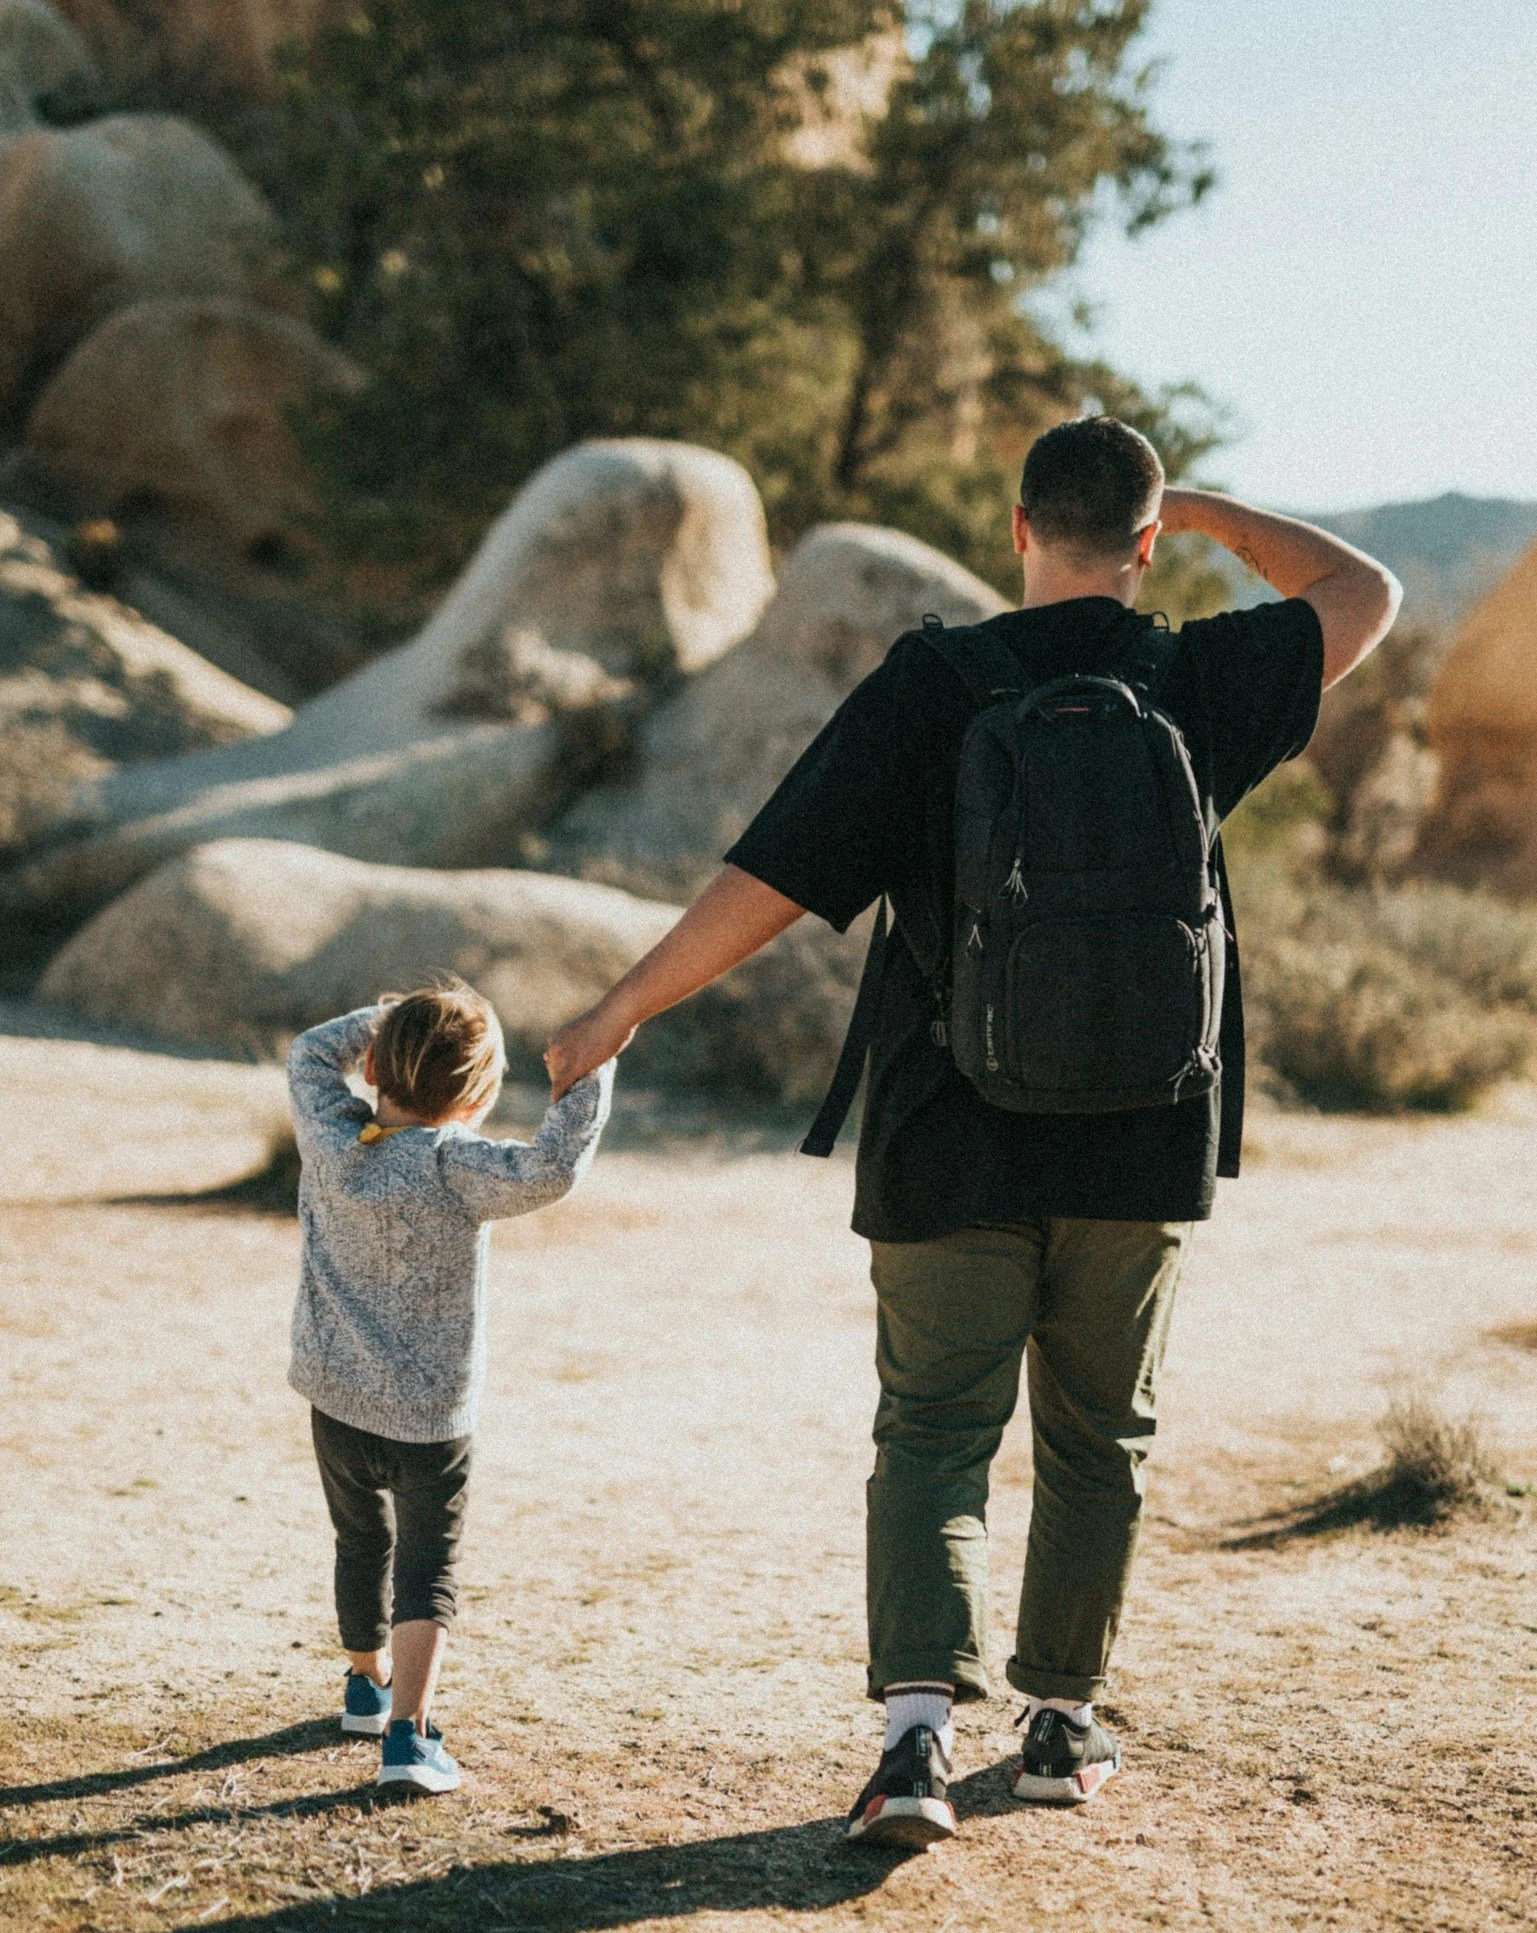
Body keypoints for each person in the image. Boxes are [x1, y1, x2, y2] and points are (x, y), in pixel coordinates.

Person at [543, 416, 1399, 1848]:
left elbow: (772, 874)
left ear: (1015, 528)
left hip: (948, 1126)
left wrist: (620, 1009)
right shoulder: (1196, 677)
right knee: (1096, 1434)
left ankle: (913, 1748)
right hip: (1143, 1135)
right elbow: (1364, 590)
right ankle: (1060, 1726)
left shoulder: (933, 683)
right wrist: (1198, 514)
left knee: (935, 1432)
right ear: (1137, 542)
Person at [287, 982, 612, 1794]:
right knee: (427, 1566)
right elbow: (552, 1168)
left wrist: (386, 1018)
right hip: (432, 1422)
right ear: (474, 1093)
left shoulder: (331, 1138)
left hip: (334, 1400)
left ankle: (366, 1686)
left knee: (361, 1543)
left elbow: (306, 1053)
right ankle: (410, 1734)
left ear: (379, 1064)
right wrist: (591, 1072)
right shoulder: (455, 1165)